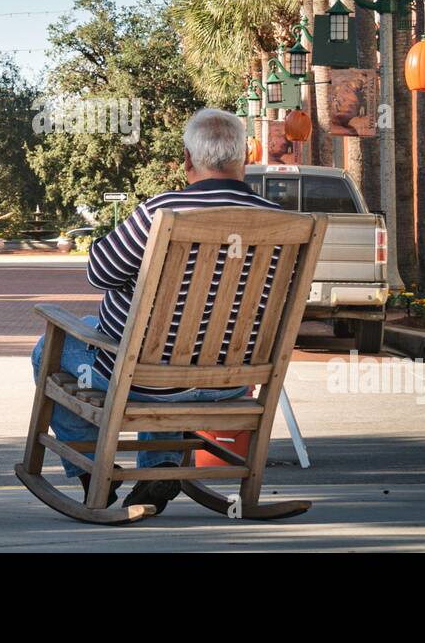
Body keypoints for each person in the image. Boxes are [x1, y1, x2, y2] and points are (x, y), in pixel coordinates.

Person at [30, 108, 280, 515]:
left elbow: (100, 273)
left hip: (143, 380)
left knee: (50, 351)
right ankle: (161, 468)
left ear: (187, 159)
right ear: (244, 158)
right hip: (230, 382)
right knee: (159, 348)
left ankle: (93, 470)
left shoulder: (159, 213)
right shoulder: (282, 221)